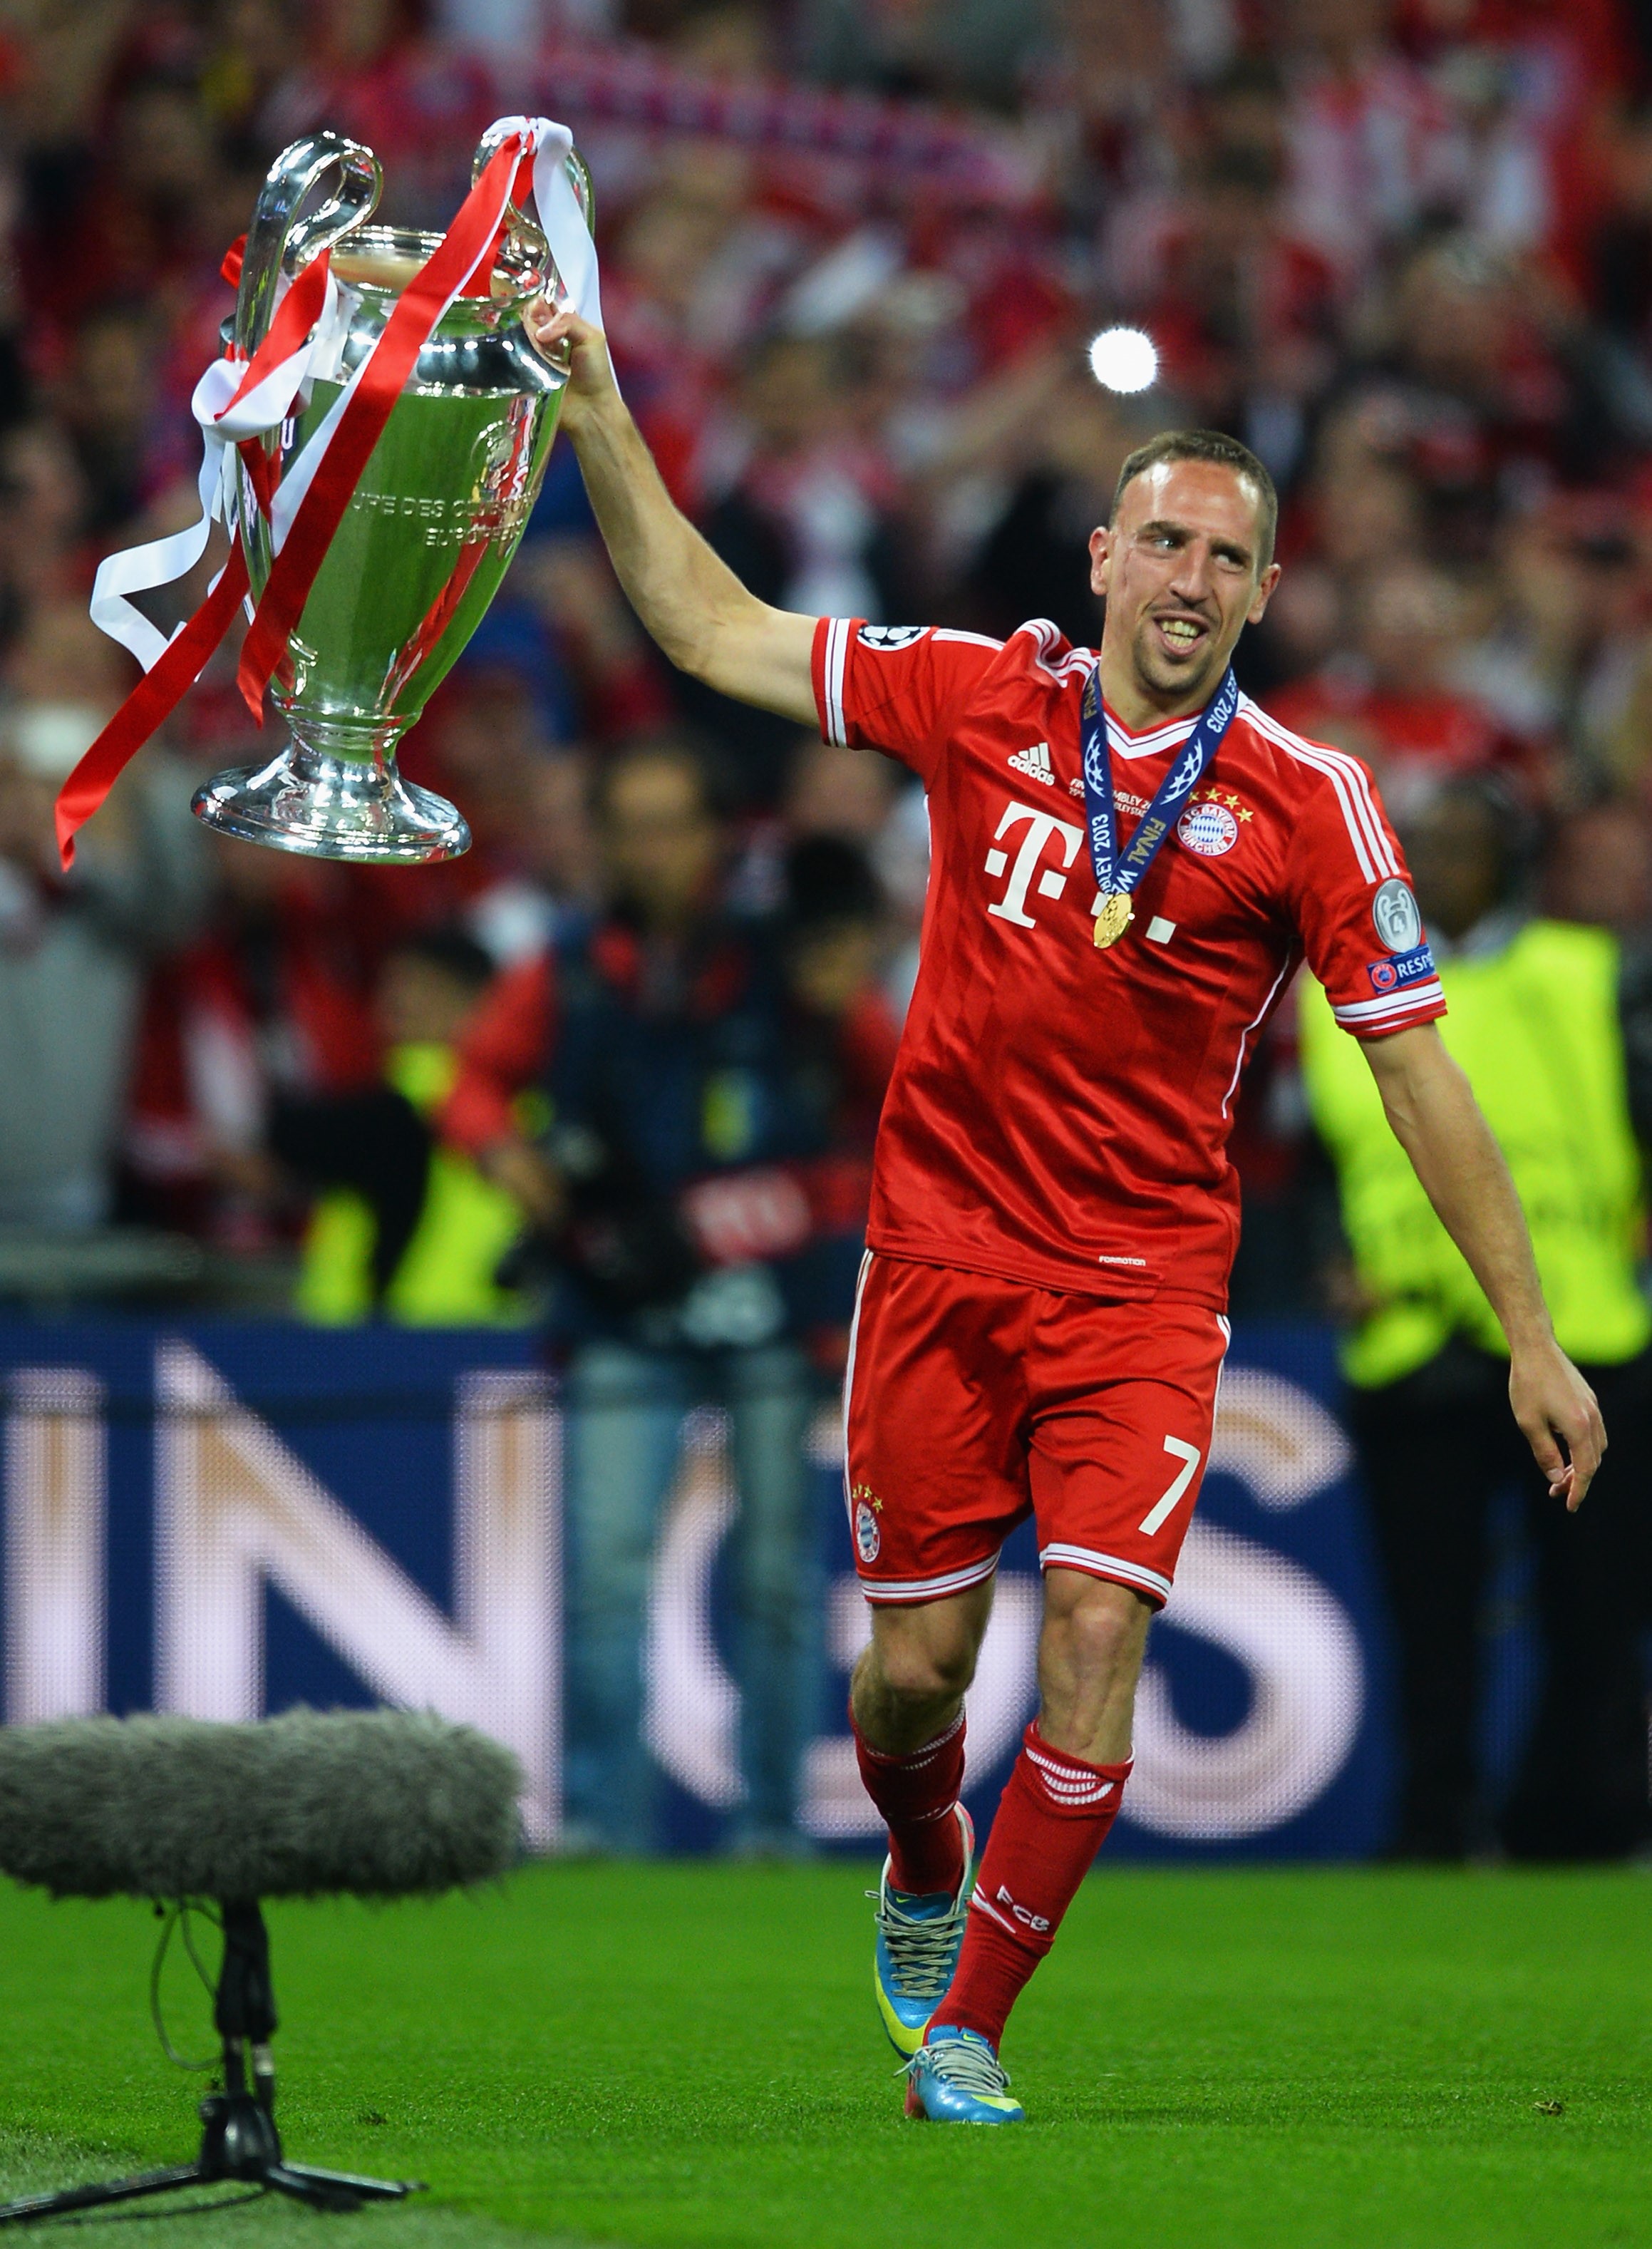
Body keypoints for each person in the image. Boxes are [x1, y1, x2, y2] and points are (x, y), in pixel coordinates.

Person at [523, 292, 1605, 2124]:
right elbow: (712, 630)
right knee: (909, 1681)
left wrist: (1529, 1331)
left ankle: (972, 2033)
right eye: (1165, 539)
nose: (1189, 576)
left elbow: (1416, 1068)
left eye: (1229, 557)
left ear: (1264, 597)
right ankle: (926, 1859)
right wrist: (601, 411)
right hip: (935, 1259)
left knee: (1099, 1633)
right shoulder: (976, 693)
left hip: (1144, 1289)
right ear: (1106, 554)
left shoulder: (1313, 805)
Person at [441, 739, 892, 1854]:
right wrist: (504, 1154)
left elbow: (893, 1089)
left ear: (716, 835)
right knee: (603, 1577)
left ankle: (771, 1826)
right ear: (600, 841)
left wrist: (846, 1012)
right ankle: (601, 1823)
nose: (653, 849)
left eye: (672, 823)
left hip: (771, 1312)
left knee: (781, 1585)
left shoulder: (788, 961)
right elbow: (471, 1085)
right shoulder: (567, 966)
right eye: (630, 825)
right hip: (617, 1306)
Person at [1299, 779, 1651, 1861]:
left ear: (1510, 855)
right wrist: (1322, 1255)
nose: (1439, 861)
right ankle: (1434, 1824)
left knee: (1594, 1614)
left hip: (1581, 1335)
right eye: (1426, 843)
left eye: (1462, 841)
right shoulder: (1328, 988)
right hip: (1411, 1341)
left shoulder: (1590, 975)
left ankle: (1576, 1820)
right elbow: (1301, 1152)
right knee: (1427, 1621)